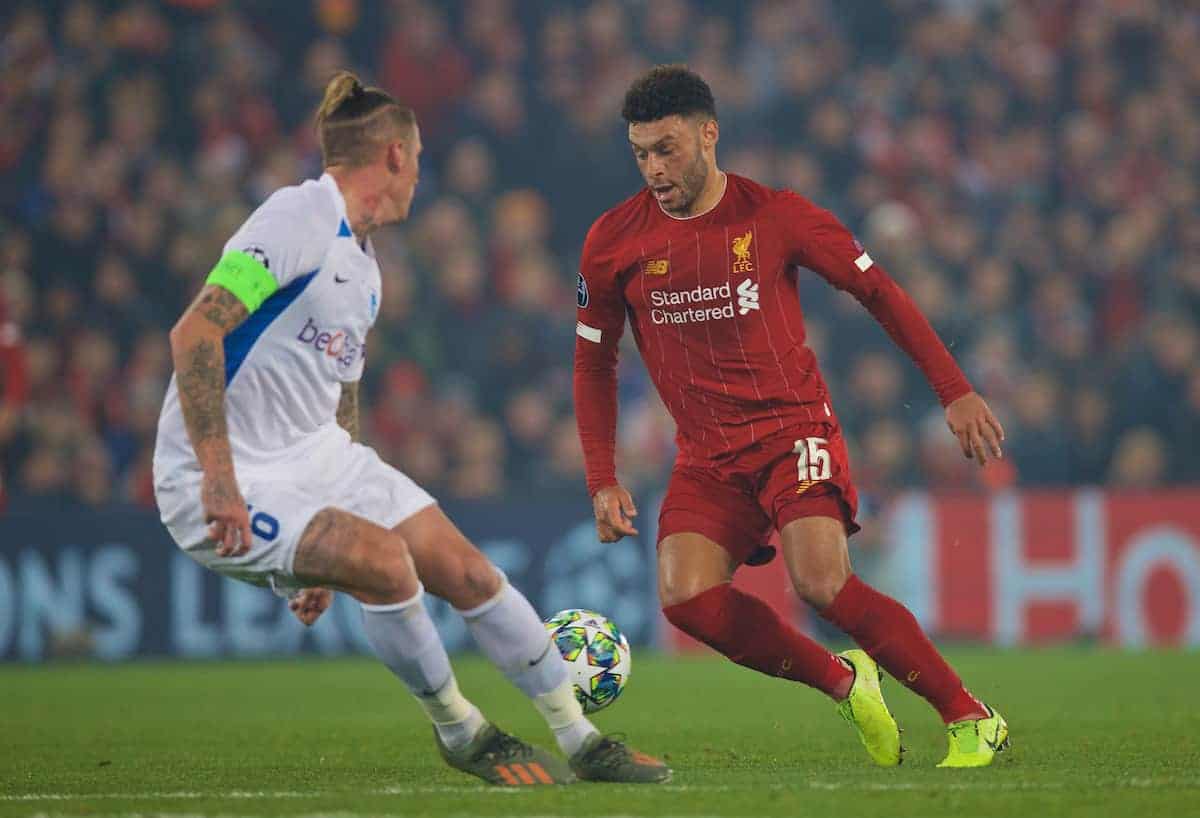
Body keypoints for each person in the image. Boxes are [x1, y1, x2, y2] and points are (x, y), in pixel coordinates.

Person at [153, 71, 668, 786]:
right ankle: (462, 730)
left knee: (468, 571)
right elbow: (195, 335)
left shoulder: (365, 268)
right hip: (220, 474)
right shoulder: (298, 217)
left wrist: (333, 512)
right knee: (388, 564)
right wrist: (218, 478)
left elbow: (341, 392)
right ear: (394, 155)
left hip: (320, 459)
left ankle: (582, 740)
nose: (421, 174)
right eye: (419, 158)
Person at [574, 65, 1008, 769]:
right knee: (685, 597)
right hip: (707, 456)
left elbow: (880, 293)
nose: (654, 168)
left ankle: (970, 716)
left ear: (709, 135)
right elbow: (593, 361)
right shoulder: (612, 241)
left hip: (792, 430)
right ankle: (843, 680)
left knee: (821, 583)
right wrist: (602, 477)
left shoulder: (774, 214)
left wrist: (952, 389)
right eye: (641, 153)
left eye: (668, 148)